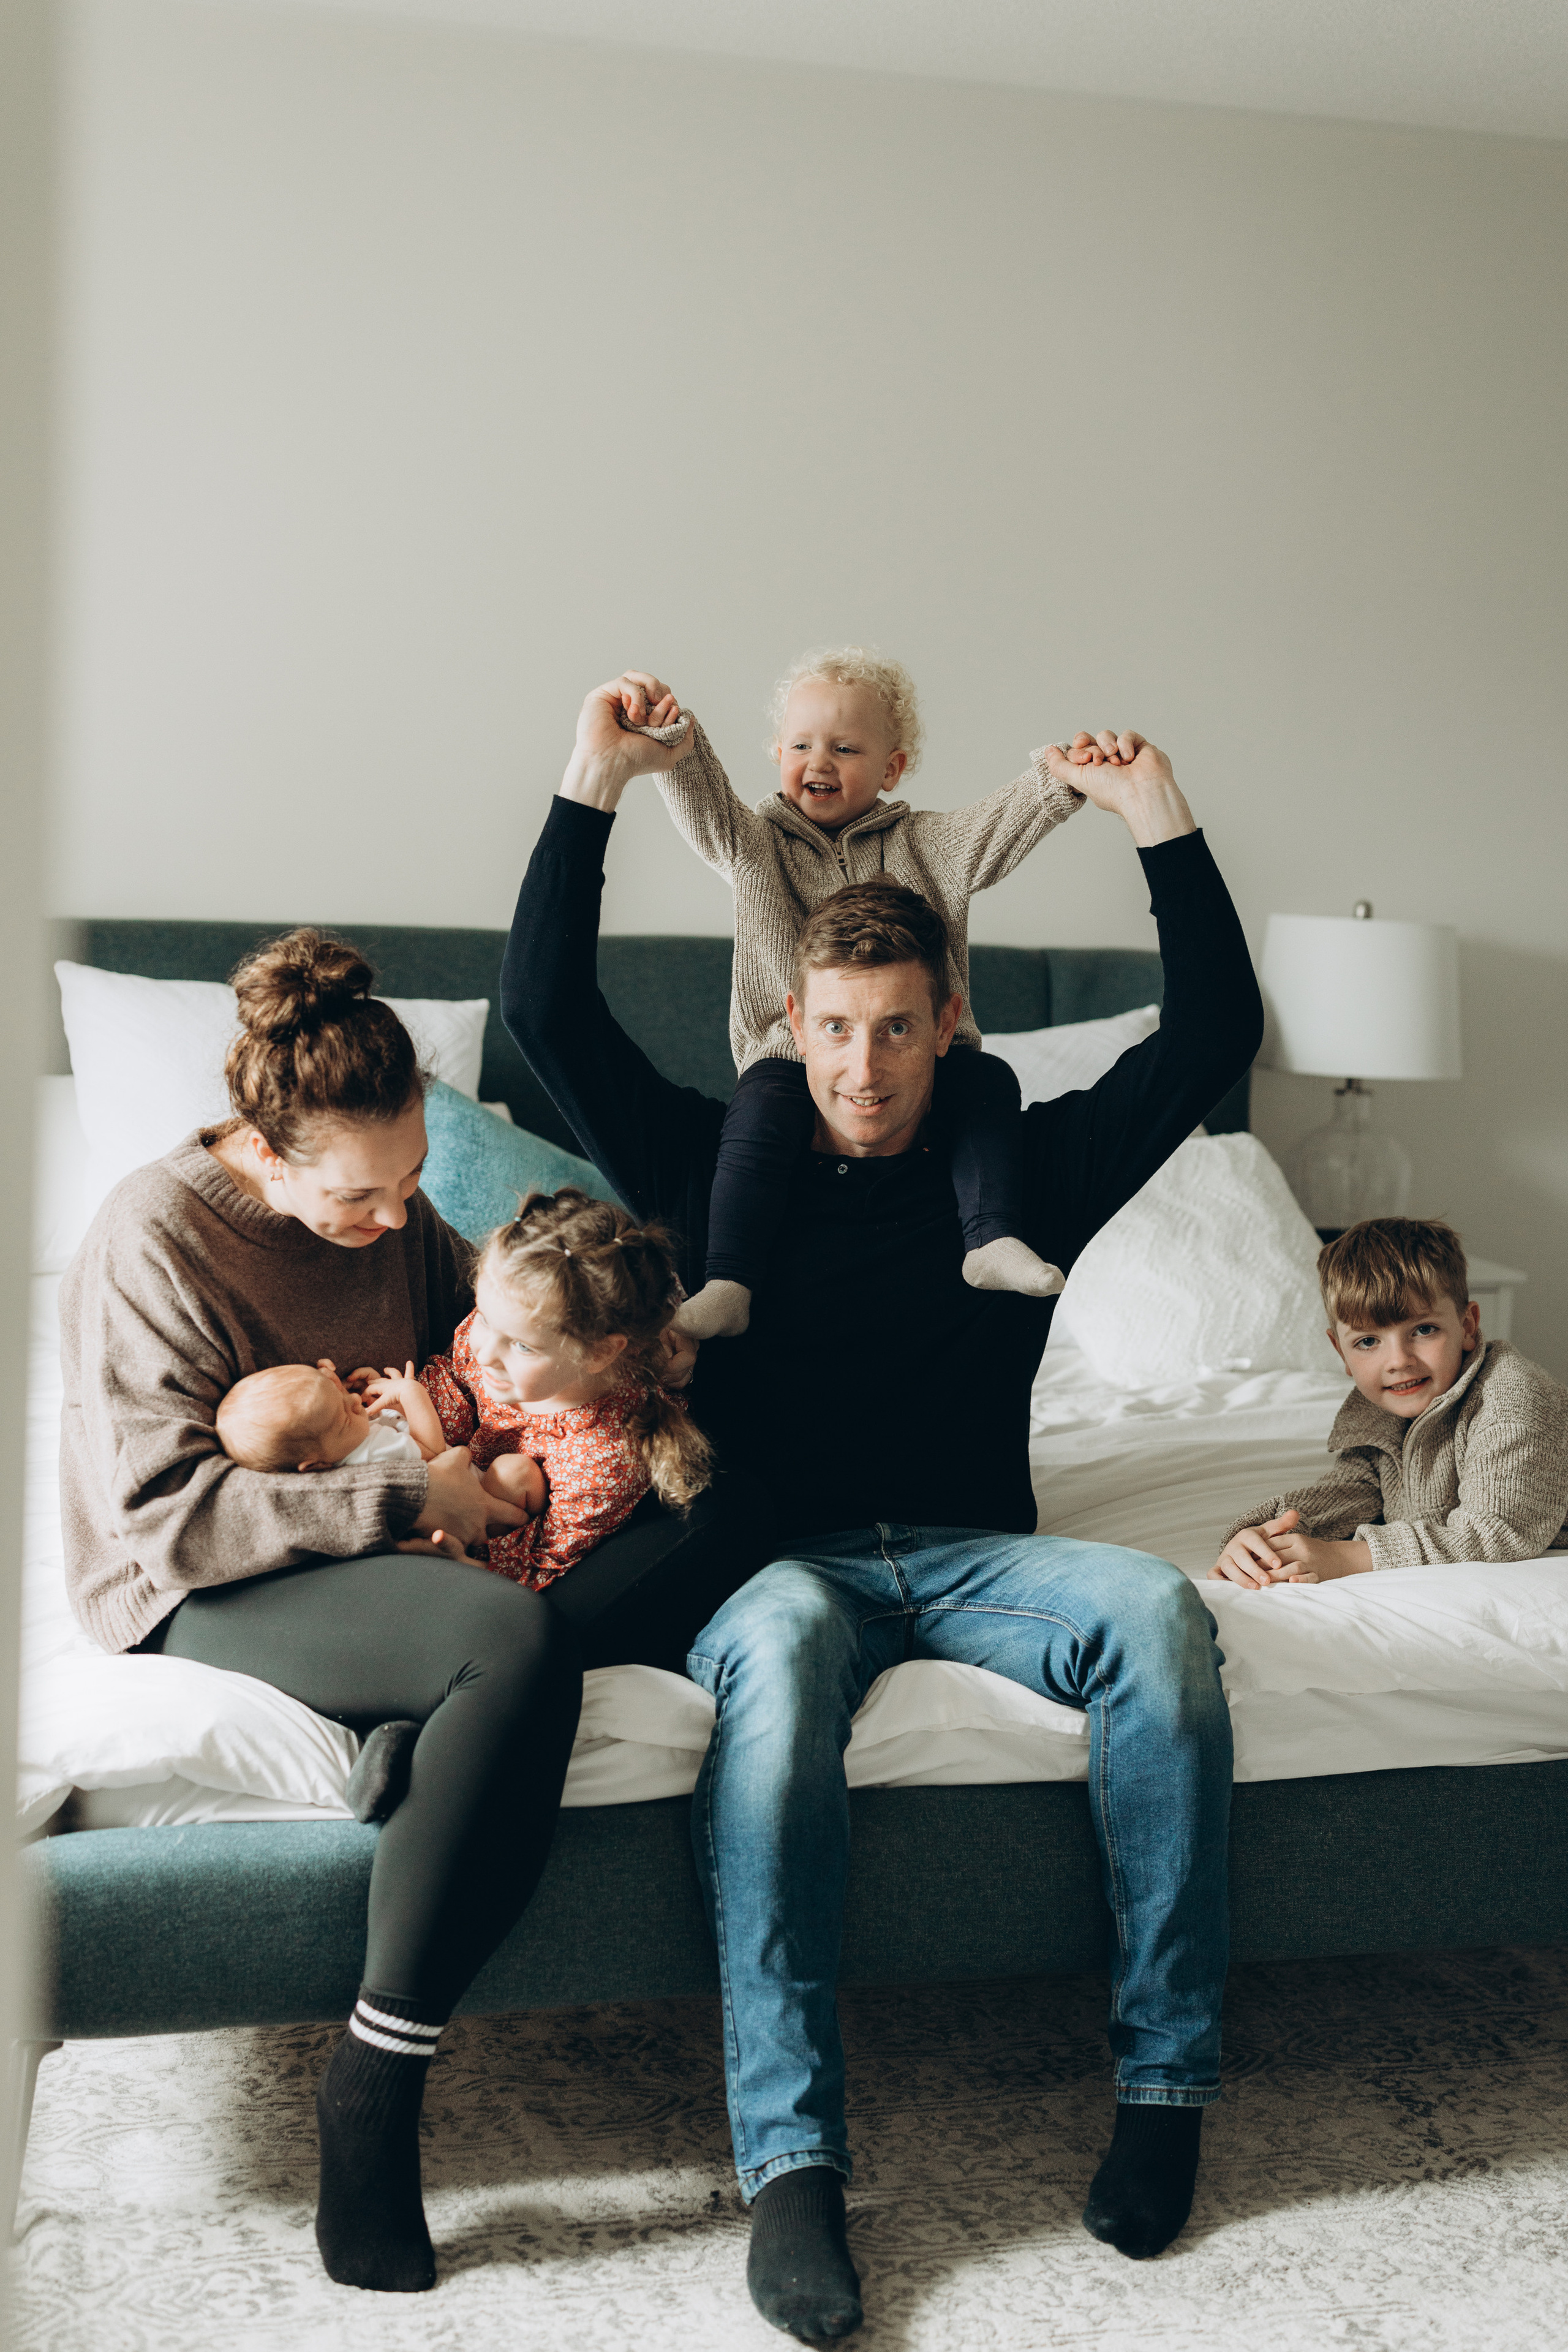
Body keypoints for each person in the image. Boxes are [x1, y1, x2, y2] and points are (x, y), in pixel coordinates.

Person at [502, 673, 1265, 2341]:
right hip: (790, 1560)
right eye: (831, 1029)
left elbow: (1211, 1038)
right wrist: (594, 783)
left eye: (896, 1027)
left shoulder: (1025, 1165)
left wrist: (1159, 824)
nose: (861, 1064)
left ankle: (1162, 2091)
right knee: (768, 1667)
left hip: (986, 1554)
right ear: (790, 1024)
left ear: (949, 1021)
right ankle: (792, 2171)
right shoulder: (717, 1167)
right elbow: (546, 1016)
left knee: (1156, 1611)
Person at [56, 927, 763, 2299]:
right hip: (201, 1580)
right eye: (360, 1200)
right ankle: (375, 2088)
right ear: (267, 1149)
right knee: (511, 1643)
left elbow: (497, 1323)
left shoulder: (396, 1212)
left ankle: (422, 1721)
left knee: (718, 1502)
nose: (395, 1222)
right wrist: (410, 1498)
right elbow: (167, 1518)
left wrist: (640, 1356)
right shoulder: (155, 1235)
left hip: (386, 1542)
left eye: (413, 1182)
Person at [622, 648, 1085, 1339]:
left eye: (845, 747)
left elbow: (1000, 820)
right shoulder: (756, 843)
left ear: (891, 768)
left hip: (930, 1054)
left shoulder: (927, 842)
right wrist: (669, 736)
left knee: (986, 1081)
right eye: (802, 745)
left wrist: (1062, 778)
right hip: (787, 1056)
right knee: (755, 1114)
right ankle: (729, 1280)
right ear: (777, 751)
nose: (820, 762)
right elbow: (705, 805)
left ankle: (989, 1239)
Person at [1210, 1218, 1568, 1589]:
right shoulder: (1376, 1414)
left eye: (1424, 1330)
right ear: (1341, 1353)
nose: (1398, 1361)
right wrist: (1261, 1540)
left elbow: (1499, 1532)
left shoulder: (1511, 1397)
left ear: (1467, 1326)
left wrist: (1345, 1557)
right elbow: (1347, 1495)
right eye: (1368, 1342)